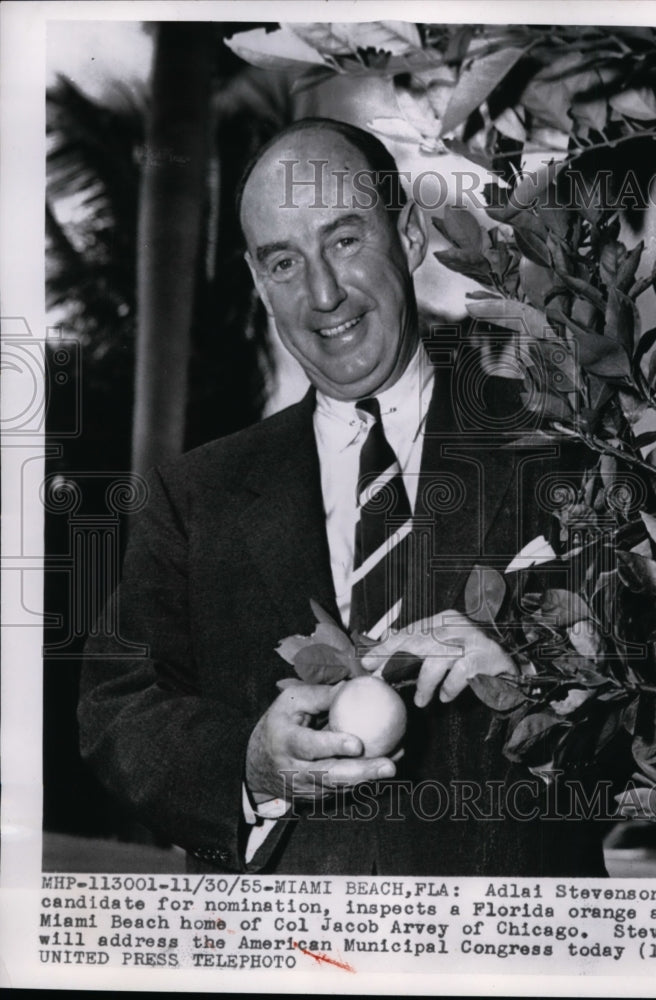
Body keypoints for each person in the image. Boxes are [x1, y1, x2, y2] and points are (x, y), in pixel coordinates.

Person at [79, 118, 607, 876]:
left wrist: (533, 657)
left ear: (412, 237)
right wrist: (252, 765)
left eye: (346, 240)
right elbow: (117, 707)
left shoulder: (563, 443)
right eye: (284, 261)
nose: (322, 293)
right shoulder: (194, 496)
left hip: (507, 954)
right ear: (260, 283)